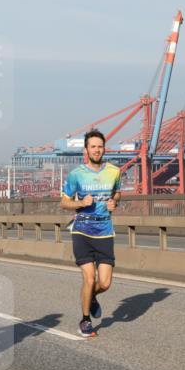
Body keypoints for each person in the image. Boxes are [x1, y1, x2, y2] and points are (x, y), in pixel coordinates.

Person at [60, 129, 122, 339]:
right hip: (82, 231)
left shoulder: (114, 171)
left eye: (100, 146)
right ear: (86, 150)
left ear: (104, 149)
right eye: (93, 146)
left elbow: (117, 192)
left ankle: (92, 297)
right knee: (89, 278)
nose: (97, 150)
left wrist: (115, 202)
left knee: (104, 283)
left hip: (105, 231)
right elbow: (63, 202)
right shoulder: (76, 173)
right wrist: (80, 203)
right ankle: (85, 320)